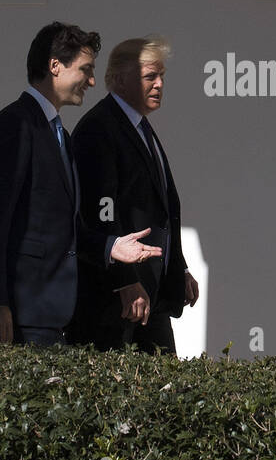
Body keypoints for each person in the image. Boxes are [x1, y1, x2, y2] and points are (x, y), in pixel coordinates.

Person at [0, 22, 162, 347]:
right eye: (85, 70)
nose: (91, 81)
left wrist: (110, 247)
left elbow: (67, 225)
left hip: (56, 314)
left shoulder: (57, 132)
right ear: (55, 66)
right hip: (25, 312)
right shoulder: (15, 125)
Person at [68, 36, 199, 354]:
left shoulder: (141, 128)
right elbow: (101, 214)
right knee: (111, 395)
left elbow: (163, 210)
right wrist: (124, 280)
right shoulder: (100, 128)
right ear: (121, 78)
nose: (159, 84)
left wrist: (178, 268)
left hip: (149, 292)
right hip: (116, 299)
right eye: (150, 76)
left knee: (164, 393)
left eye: (162, 77)